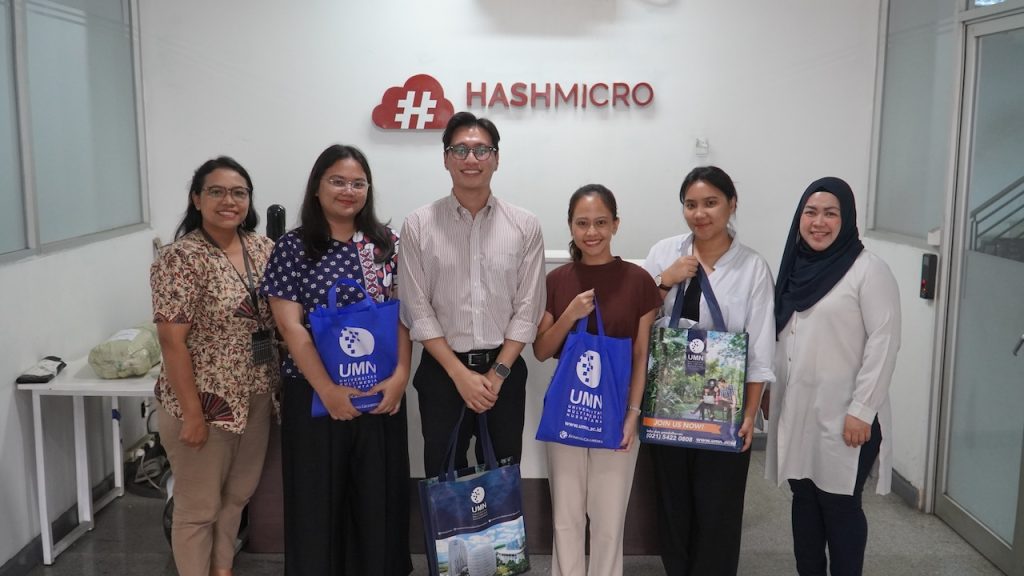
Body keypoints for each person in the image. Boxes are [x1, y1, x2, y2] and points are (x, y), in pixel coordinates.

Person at [261, 145, 412, 576]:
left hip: (380, 395)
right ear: (317, 187)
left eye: (358, 183)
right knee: (316, 505)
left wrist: (401, 376)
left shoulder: (386, 244)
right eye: (338, 181)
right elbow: (290, 327)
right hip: (314, 397)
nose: (349, 191)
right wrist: (327, 390)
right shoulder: (293, 247)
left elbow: (404, 315)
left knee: (378, 504)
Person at [642, 165, 776, 575]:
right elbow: (637, 321)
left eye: (711, 203)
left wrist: (749, 414)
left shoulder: (752, 267)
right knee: (672, 507)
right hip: (668, 407)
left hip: (724, 410)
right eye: (691, 204)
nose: (700, 214)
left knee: (719, 509)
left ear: (732, 204)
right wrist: (664, 281)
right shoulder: (664, 252)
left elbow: (760, 350)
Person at [151, 156, 279, 576]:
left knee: (236, 497)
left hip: (257, 393)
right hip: (205, 402)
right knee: (198, 508)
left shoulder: (263, 248)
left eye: (239, 193)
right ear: (197, 199)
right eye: (217, 192)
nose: (229, 201)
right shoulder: (180, 258)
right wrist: (192, 414)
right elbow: (172, 342)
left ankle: (222, 569)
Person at [766, 176, 900, 576]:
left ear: (847, 219)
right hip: (798, 408)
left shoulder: (868, 270)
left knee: (839, 504)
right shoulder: (794, 266)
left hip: (847, 415)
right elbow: (781, 336)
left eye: (830, 213)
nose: (819, 222)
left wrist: (862, 410)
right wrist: (770, 391)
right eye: (811, 212)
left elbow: (884, 342)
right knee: (803, 499)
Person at [399, 111, 546, 477]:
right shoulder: (418, 225)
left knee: (502, 475)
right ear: (445, 158)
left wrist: (498, 372)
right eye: (460, 150)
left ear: (496, 158)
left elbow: (528, 308)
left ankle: (500, 525)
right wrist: (459, 374)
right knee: (443, 476)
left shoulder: (524, 225)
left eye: (482, 150)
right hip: (442, 372)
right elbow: (417, 309)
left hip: (504, 372)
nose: (471, 159)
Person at [533, 184, 661, 576]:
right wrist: (569, 314)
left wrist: (633, 415)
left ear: (616, 225)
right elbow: (541, 350)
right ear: (570, 226)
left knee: (608, 520)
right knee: (566, 517)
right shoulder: (557, 281)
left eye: (601, 223)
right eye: (583, 223)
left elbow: (641, 355)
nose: (592, 232)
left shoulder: (639, 281)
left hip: (617, 412)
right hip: (569, 410)